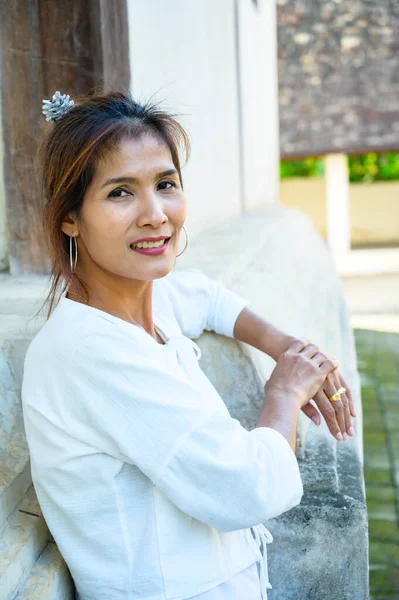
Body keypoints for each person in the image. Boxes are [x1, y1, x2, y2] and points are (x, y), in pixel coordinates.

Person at [21, 90, 356, 600]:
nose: (156, 215)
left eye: (166, 184)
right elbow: (250, 488)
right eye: (120, 193)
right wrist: (285, 391)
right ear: (69, 217)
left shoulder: (140, 302)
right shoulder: (90, 354)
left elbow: (204, 295)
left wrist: (285, 345)